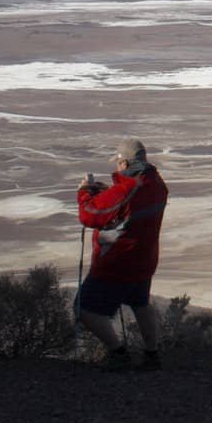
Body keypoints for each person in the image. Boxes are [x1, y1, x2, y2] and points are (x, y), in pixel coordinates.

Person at [75, 136, 169, 370]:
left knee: (84, 309)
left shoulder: (128, 189)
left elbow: (89, 214)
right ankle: (152, 355)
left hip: (118, 263)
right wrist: (110, 192)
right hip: (144, 260)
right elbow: (128, 209)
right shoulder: (157, 184)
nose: (116, 167)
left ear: (125, 164)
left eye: (118, 162)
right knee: (140, 303)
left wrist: (85, 191)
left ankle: (118, 353)